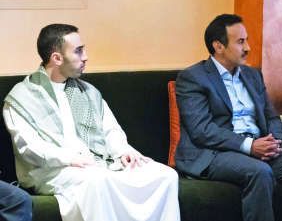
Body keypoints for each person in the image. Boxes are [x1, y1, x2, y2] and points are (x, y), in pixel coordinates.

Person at [3, 24, 180, 221]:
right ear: (57, 58)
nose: (85, 57)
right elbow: (28, 147)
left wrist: (123, 151)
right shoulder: (22, 97)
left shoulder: (88, 91)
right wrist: (69, 159)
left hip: (99, 162)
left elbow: (110, 130)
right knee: (98, 180)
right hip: (53, 170)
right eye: (78, 51)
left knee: (164, 175)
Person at [175, 14, 282, 221]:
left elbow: (272, 117)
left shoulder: (252, 75)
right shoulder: (193, 78)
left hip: (259, 149)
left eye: (246, 40)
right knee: (260, 172)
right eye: (240, 41)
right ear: (218, 46)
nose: (248, 47)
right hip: (216, 153)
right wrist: (250, 146)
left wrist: (275, 143)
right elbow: (202, 130)